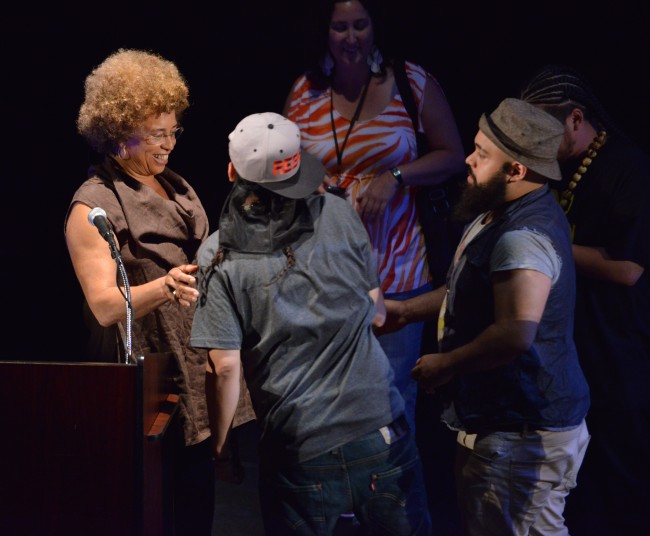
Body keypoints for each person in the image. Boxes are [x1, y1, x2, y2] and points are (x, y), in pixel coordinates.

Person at [190, 111, 432, 535]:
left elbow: (224, 367)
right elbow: (376, 312)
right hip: (381, 430)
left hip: (300, 449)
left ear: (231, 172)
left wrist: (223, 452)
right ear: (298, 166)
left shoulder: (218, 254)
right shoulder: (338, 213)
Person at [63, 48, 255, 536]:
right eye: (155, 134)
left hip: (194, 370)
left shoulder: (175, 185)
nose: (168, 144)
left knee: (197, 513)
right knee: (160, 514)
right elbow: (105, 306)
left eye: (173, 131)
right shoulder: (93, 207)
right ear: (117, 134)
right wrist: (165, 286)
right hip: (147, 385)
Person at [379, 98, 591, 535]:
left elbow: (515, 333)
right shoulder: (498, 211)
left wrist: (446, 364)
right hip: (499, 424)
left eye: (482, 153)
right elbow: (470, 288)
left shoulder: (523, 237)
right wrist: (407, 310)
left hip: (521, 430)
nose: (468, 160)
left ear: (516, 170)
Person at [282, 0, 466, 433]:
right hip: (326, 272)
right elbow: (284, 163)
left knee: (391, 398)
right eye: (340, 27)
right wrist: (312, 184)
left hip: (397, 270)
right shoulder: (306, 91)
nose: (351, 38)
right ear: (325, 32)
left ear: (374, 27)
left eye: (360, 25)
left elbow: (453, 155)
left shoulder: (410, 82)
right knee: (329, 399)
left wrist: (396, 176)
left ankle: (393, 479)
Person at [520, 64, 650, 534]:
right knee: (577, 484)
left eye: (542, 129)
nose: (534, 141)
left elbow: (627, 268)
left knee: (621, 474)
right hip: (572, 346)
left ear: (576, 119)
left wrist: (538, 240)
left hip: (617, 345)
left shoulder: (628, 168)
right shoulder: (556, 167)